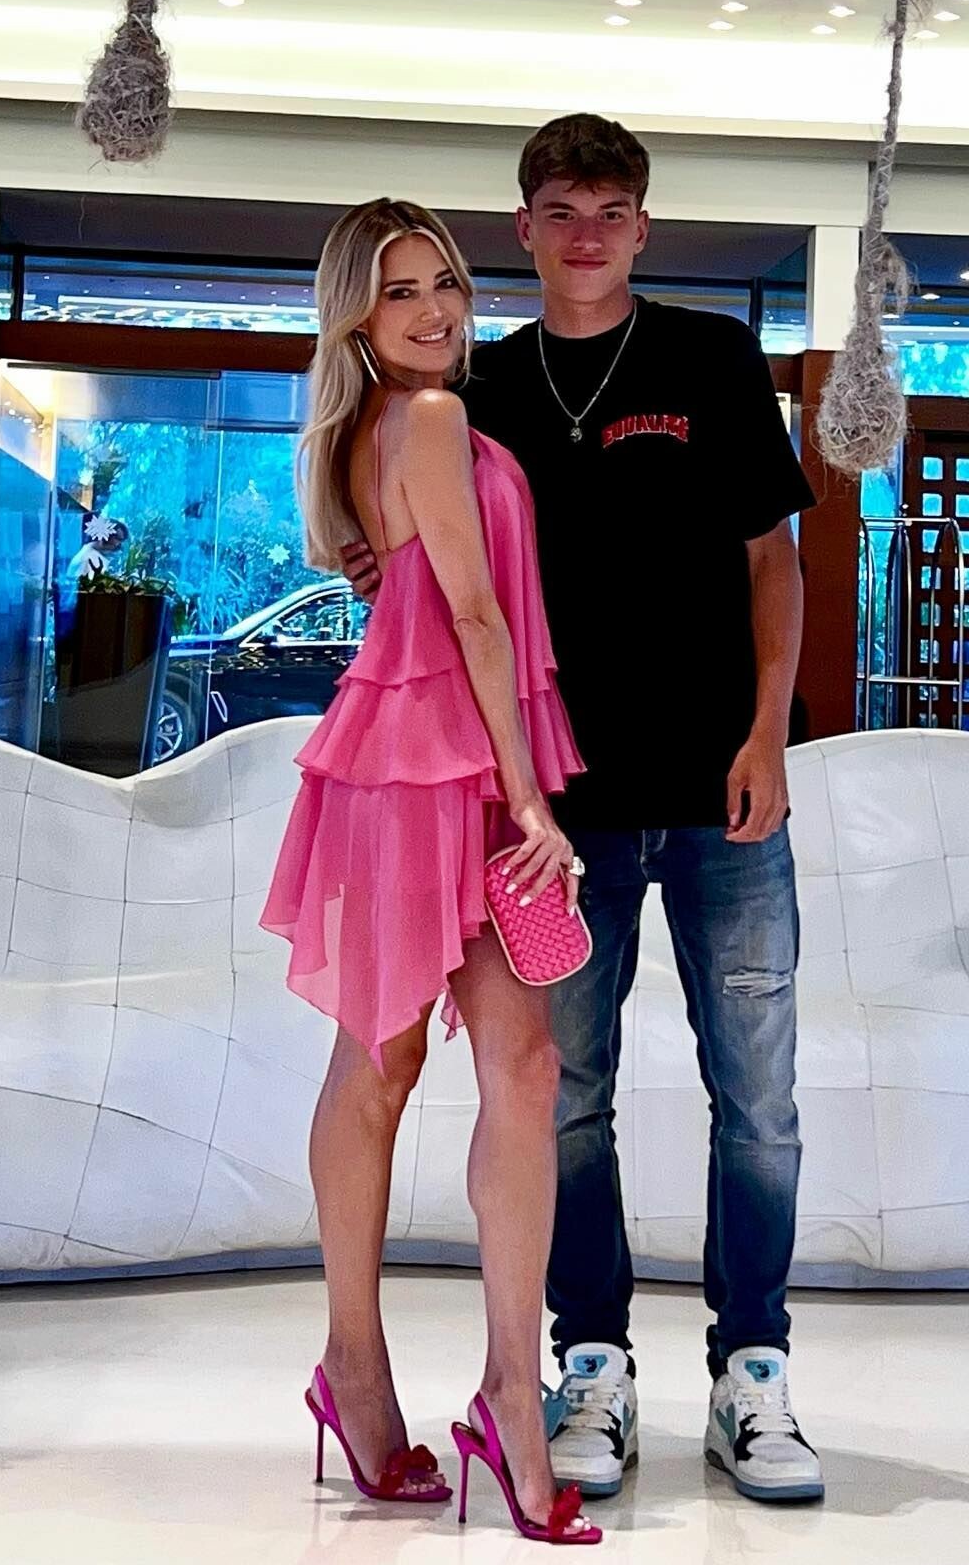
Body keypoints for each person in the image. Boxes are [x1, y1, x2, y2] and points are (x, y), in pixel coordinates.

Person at [346, 114, 822, 1506]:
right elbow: (435, 568)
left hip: (724, 793)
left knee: (761, 1096)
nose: (589, 233)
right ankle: (592, 1365)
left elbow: (774, 561)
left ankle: (754, 1371)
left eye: (613, 210)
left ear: (645, 227)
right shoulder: (474, 383)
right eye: (562, 209)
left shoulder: (712, 360)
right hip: (559, 806)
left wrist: (768, 730)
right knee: (564, 1098)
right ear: (525, 228)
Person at [260, 197, 600, 1546]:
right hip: (430, 774)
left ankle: (510, 1393)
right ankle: (356, 1369)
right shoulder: (432, 419)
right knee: (383, 1064)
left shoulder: (381, 428)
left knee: (522, 1066)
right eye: (399, 291)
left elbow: (416, 587)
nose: (434, 310)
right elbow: (470, 612)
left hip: (427, 762)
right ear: (356, 313)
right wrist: (528, 796)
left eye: (446, 282)